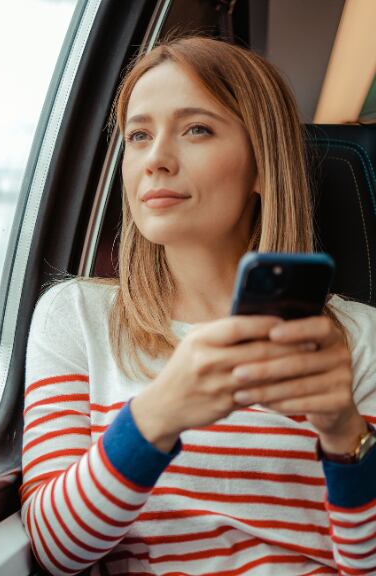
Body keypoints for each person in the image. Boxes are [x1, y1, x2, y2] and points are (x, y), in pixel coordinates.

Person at [20, 36, 376, 576]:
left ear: (262, 165)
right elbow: (55, 551)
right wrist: (160, 412)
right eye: (139, 135)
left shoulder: (360, 337)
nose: (156, 160)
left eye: (196, 130)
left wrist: (343, 430)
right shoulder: (75, 318)